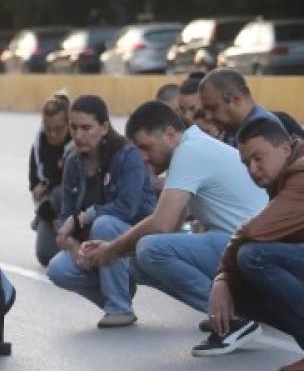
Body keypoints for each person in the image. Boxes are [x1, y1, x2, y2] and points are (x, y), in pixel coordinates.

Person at [79, 102, 268, 354]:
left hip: (255, 250)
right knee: (139, 262)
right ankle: (226, 313)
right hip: (243, 247)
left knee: (149, 250)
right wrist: (117, 249)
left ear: (170, 134)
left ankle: (232, 320)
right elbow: (173, 224)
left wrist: (112, 250)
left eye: (146, 147)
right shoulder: (193, 147)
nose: (143, 157)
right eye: (138, 150)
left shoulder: (189, 151)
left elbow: (162, 224)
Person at [42, 96, 158, 328]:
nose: (78, 136)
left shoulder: (127, 155)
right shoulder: (73, 161)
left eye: (86, 128)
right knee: (57, 269)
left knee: (104, 224)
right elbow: (66, 215)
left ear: (104, 127)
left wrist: (85, 216)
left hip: (135, 236)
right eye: (73, 128)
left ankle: (119, 307)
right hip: (95, 243)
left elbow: (127, 208)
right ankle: (118, 293)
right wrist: (76, 249)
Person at [208, 118, 304, 371]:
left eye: (259, 158)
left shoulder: (300, 174)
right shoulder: (285, 173)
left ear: (285, 148)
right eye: (246, 163)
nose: (252, 168)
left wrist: (221, 277)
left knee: (255, 257)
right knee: (241, 287)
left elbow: (253, 231)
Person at [198, 69, 304, 150]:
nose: (208, 116)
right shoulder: (232, 131)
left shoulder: (262, 134)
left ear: (236, 99)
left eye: (213, 108)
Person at [31, 92, 73, 266]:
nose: (52, 135)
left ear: (68, 125)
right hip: (53, 209)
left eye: (58, 129)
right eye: (48, 129)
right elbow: (36, 192)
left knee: (58, 191)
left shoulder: (78, 142)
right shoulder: (39, 145)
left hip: (77, 206)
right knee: (45, 255)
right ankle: (46, 223)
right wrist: (55, 223)